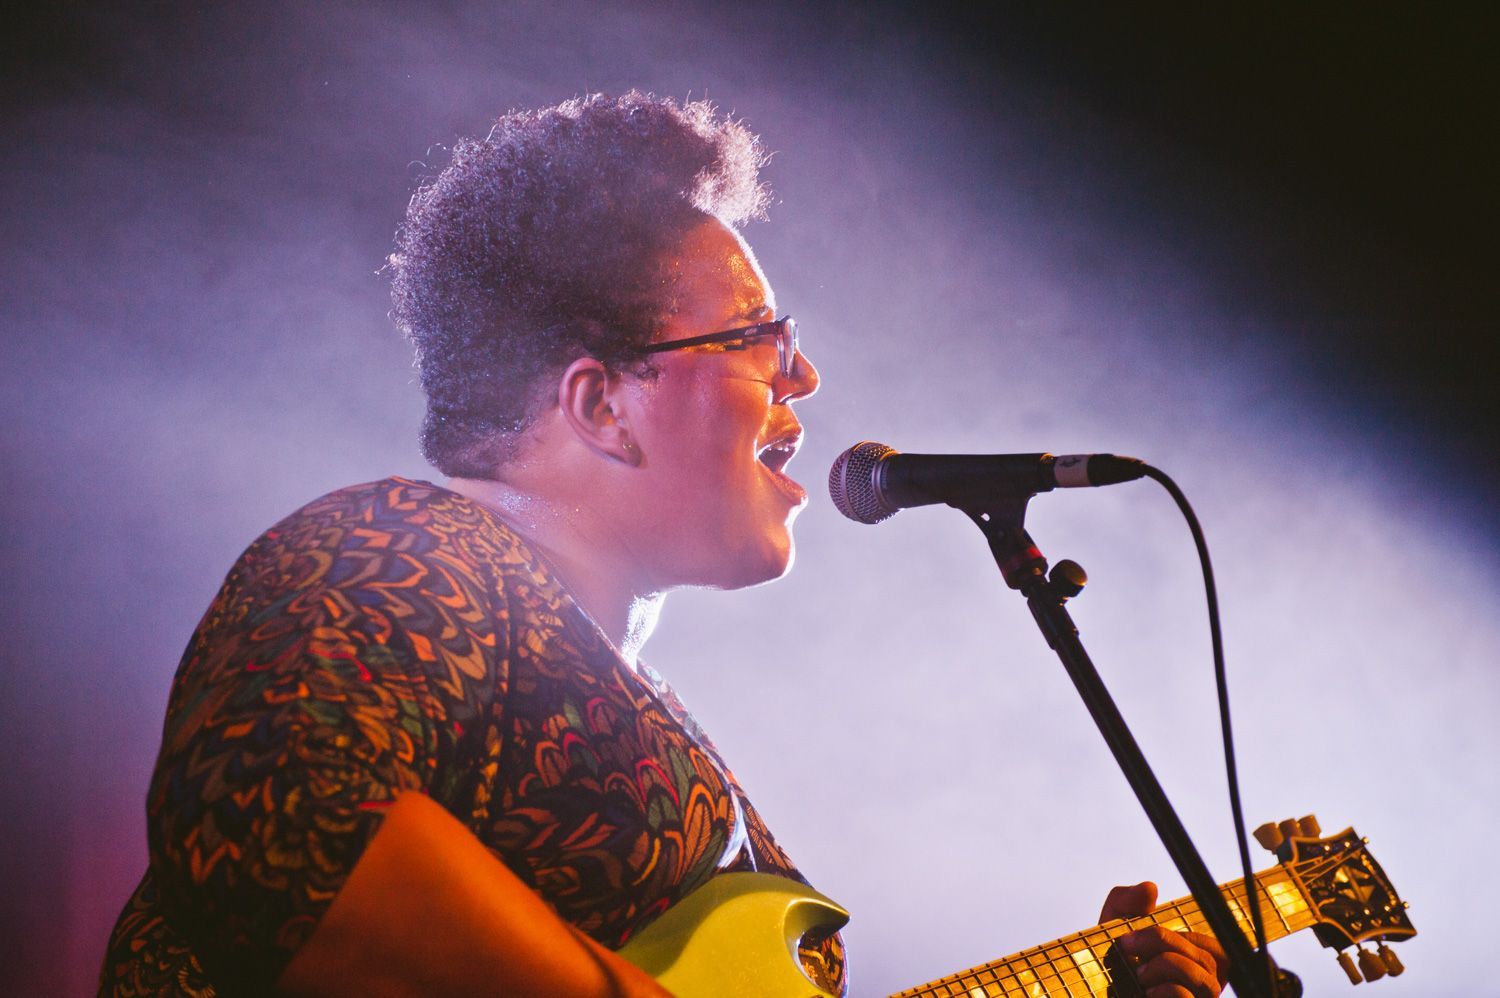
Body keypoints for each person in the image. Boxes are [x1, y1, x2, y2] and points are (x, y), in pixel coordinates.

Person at [100, 92, 1227, 997]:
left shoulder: (658, 723)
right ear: (601, 404)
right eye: (759, 339)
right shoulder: (398, 546)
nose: (806, 378)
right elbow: (280, 822)